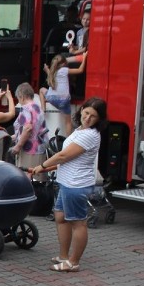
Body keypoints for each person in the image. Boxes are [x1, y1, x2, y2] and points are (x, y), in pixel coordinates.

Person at [32, 97, 108, 272]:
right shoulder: (80, 130)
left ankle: (73, 262)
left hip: (76, 185)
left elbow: (63, 155)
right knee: (60, 216)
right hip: (66, 181)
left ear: (99, 119)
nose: (88, 118)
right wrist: (46, 169)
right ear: (81, 110)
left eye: (93, 116)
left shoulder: (89, 135)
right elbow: (68, 159)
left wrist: (41, 165)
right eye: (86, 112)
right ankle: (63, 256)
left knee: (78, 223)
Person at [39, 54, 88, 137]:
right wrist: (85, 57)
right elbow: (80, 70)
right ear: (63, 63)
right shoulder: (64, 70)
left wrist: (47, 69)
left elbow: (51, 76)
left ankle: (43, 109)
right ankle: (68, 141)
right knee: (68, 122)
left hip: (52, 99)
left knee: (41, 90)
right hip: (64, 100)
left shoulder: (52, 71)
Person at [11, 82, 49, 182]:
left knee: (27, 182)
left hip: (29, 151)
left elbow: (28, 129)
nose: (19, 101)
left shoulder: (26, 109)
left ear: (22, 96)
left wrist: (18, 146)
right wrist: (12, 137)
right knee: (37, 181)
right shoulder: (37, 108)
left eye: (18, 99)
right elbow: (34, 129)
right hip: (39, 149)